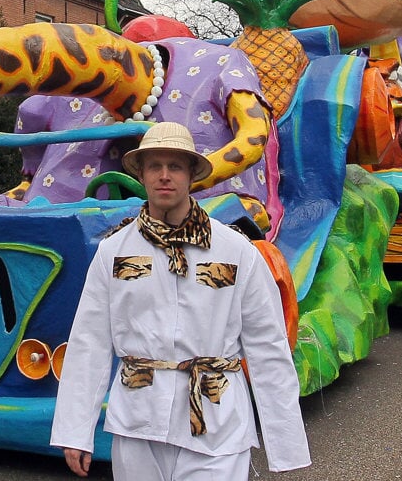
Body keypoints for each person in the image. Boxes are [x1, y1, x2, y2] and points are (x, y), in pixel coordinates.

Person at [50, 122, 310, 479]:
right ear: (140, 174)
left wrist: (286, 442)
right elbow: (89, 341)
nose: (164, 176)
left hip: (216, 420)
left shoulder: (236, 251)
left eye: (175, 166)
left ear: (191, 175)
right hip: (138, 422)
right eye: (155, 166)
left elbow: (268, 345)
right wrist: (75, 432)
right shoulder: (114, 252)